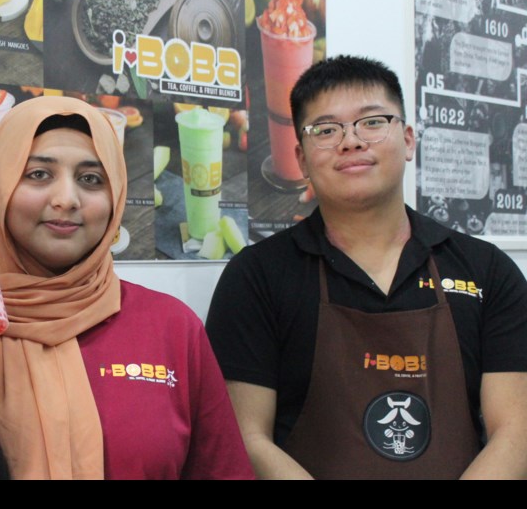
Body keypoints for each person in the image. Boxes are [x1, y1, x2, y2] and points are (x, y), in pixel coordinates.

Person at [0, 96, 253, 479]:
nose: (66, 199)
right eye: (38, 175)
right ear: (0, 188)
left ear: (115, 197)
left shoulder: (172, 327)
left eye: (91, 179)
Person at [207, 55, 527, 479]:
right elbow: (244, 437)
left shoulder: (487, 271)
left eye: (372, 122)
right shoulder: (256, 277)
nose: (351, 141)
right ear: (301, 159)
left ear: (409, 139)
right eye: (326, 129)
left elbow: (516, 431)